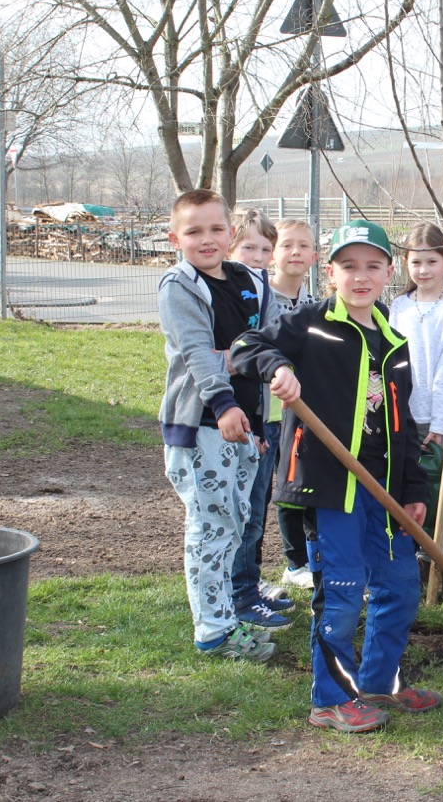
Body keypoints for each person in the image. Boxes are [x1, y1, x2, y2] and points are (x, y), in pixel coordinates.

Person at [231, 219, 441, 733]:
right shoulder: (310, 323)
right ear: (331, 273)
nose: (361, 276)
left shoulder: (394, 340)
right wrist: (277, 367)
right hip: (331, 486)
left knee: (400, 587)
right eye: (349, 266)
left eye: (372, 266)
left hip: (384, 489)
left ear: (390, 272)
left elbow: (404, 425)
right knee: (343, 591)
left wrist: (414, 490)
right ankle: (329, 699)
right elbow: (244, 347)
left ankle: (377, 681)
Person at [158, 188, 277, 663]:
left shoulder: (250, 280)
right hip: (205, 423)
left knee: (236, 523)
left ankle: (227, 613)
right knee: (210, 527)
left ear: (231, 232)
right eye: (194, 231)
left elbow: (265, 343)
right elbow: (197, 355)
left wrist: (258, 421)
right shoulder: (179, 286)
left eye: (215, 229)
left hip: (246, 425)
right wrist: (227, 403)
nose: (206, 240)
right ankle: (212, 630)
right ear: (174, 238)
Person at [224, 209, 297, 629]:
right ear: (232, 249)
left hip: (268, 417)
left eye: (265, 248)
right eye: (248, 246)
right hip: (242, 418)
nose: (257, 255)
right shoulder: (236, 293)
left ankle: (248, 584)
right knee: (243, 512)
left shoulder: (264, 291)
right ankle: (239, 594)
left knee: (257, 507)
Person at [389, 222, 443, 560]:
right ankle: (410, 548)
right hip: (405, 415)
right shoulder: (398, 306)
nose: (423, 270)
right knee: (409, 482)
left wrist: (440, 422)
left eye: (431, 261)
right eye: (416, 262)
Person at [268, 219, 319, 592]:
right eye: (287, 245)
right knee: (279, 490)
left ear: (315, 257)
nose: (296, 252)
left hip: (298, 411)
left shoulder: (313, 305)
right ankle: (293, 560)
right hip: (265, 411)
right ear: (273, 253)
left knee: (299, 482)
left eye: (303, 246)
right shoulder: (262, 298)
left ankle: (309, 557)